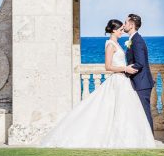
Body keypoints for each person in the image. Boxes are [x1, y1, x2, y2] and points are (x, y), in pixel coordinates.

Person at [39, 18, 156, 148]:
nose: (122, 32)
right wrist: (125, 69)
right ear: (114, 30)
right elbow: (108, 66)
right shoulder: (110, 44)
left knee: (124, 112)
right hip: (118, 79)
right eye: (120, 30)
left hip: (123, 81)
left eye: (124, 29)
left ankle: (132, 139)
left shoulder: (118, 43)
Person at [123, 13, 154, 130]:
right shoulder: (134, 39)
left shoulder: (137, 41)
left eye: (125, 23)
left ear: (131, 25)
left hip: (142, 83)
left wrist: (124, 72)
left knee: (144, 113)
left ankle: (150, 139)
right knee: (139, 113)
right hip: (139, 82)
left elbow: (140, 63)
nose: (123, 25)